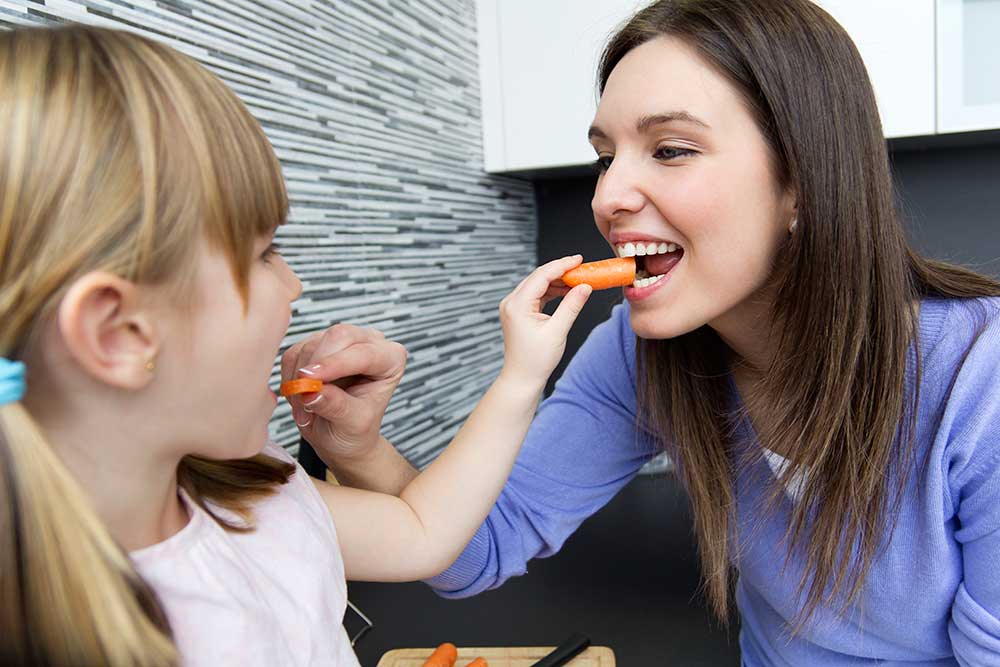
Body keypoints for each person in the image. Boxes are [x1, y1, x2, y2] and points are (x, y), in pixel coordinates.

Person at [313, 0, 1000, 664]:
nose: (608, 197)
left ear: (802, 184)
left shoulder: (981, 382)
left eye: (669, 149)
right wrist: (358, 444)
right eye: (605, 156)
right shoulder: (638, 352)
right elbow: (473, 549)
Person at [0, 24, 592, 666]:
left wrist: (520, 376)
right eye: (263, 255)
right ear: (118, 333)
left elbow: (424, 534)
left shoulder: (252, 486)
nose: (294, 285)